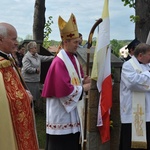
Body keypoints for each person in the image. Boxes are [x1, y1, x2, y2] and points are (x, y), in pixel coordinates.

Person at [42, 13, 91, 150]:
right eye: (75, 42)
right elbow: (64, 89)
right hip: (61, 115)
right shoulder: (59, 62)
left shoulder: (73, 58)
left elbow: (73, 79)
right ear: (65, 42)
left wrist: (83, 80)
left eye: (78, 42)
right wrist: (85, 88)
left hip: (71, 114)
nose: (78, 45)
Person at [0, 23, 39, 149]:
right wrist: (25, 96)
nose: (17, 42)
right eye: (13, 39)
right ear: (1, 39)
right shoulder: (2, 64)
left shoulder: (8, 58)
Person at [119, 43, 150, 150]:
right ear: (141, 55)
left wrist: (144, 76)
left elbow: (142, 81)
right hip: (131, 113)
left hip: (148, 112)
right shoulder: (128, 65)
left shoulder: (148, 65)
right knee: (130, 144)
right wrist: (148, 75)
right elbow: (134, 84)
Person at [21, 41, 54, 108]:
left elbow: (45, 58)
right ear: (31, 49)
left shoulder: (37, 56)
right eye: (35, 48)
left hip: (35, 80)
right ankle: (29, 110)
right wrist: (35, 70)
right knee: (30, 98)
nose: (36, 49)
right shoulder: (26, 57)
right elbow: (26, 68)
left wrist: (54, 57)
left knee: (35, 97)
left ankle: (34, 111)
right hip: (29, 81)